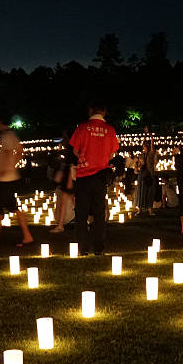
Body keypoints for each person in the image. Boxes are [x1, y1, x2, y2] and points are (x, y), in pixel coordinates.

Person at [70, 101, 119, 255]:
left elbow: (75, 150)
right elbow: (112, 153)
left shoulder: (82, 127)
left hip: (84, 176)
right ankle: (99, 247)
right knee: (99, 212)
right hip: (100, 176)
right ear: (104, 112)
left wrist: (84, 157)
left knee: (81, 213)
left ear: (91, 110)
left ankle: (83, 247)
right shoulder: (110, 129)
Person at [0, 117, 34, 249]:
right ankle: (27, 235)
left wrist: (5, 169)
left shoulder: (6, 136)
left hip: (4, 179)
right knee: (12, 208)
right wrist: (13, 165)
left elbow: (8, 153)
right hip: (9, 178)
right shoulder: (11, 135)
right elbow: (20, 150)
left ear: (0, 122)